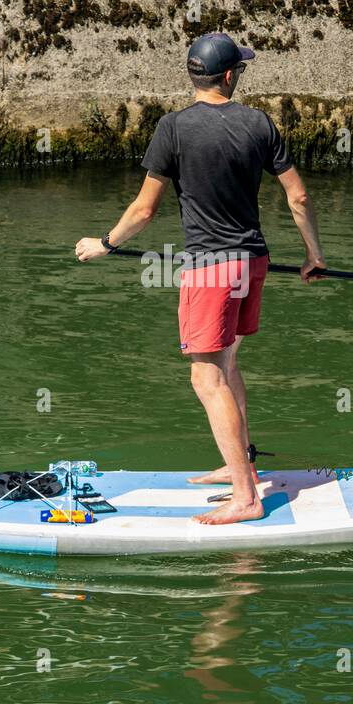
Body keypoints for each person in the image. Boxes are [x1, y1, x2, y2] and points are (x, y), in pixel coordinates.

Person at [75, 33, 326, 525]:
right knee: (228, 365)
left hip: (211, 268)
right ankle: (245, 471)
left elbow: (145, 210)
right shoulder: (258, 123)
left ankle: (246, 500)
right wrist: (314, 255)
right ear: (230, 76)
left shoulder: (172, 128)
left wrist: (104, 244)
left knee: (205, 378)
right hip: (252, 263)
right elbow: (297, 198)